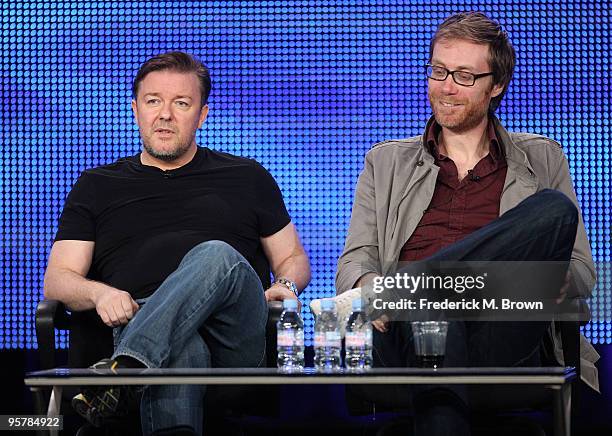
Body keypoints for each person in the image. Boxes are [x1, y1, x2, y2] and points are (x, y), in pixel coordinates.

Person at [334, 12, 598, 435]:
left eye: (463, 75)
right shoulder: (385, 162)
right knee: (433, 310)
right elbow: (352, 264)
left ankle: (416, 285)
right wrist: (368, 283)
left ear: (496, 85)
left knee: (554, 209)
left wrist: (555, 280)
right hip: (401, 335)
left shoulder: (543, 157)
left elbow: (584, 274)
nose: (445, 87)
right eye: (438, 71)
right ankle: (419, 292)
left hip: (503, 327)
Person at [43, 51, 311, 436]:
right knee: (184, 347)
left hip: (231, 343)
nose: (165, 114)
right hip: (141, 325)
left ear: (202, 115)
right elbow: (59, 280)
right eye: (153, 101)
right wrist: (100, 294)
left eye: (181, 103)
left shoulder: (247, 176)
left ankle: (124, 372)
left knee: (216, 254)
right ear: (136, 109)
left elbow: (293, 258)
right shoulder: (97, 185)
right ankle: (136, 366)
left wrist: (285, 285)